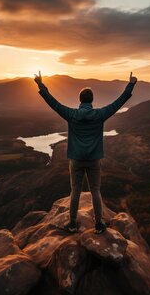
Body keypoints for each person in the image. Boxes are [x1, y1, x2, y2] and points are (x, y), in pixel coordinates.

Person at [34, 71, 137, 234]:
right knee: (95, 190)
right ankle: (98, 224)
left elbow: (52, 103)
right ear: (92, 100)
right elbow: (119, 103)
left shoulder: (72, 114)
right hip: (94, 159)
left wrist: (40, 85)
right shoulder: (99, 114)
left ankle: (73, 223)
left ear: (80, 100)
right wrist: (131, 84)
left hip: (76, 159)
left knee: (75, 190)